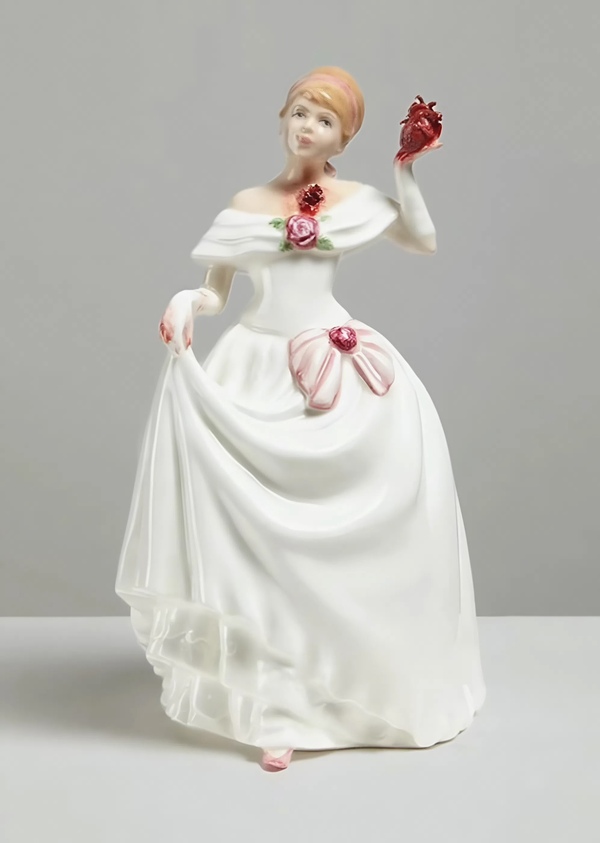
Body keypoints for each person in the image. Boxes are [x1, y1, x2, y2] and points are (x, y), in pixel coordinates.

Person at [116, 66, 486, 772]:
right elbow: (216, 291)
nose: (307, 126)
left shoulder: (354, 201)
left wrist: (405, 171)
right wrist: (186, 302)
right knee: (253, 542)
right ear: (282, 117)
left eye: (324, 119)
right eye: (300, 112)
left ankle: (351, 689)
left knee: (355, 533)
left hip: (333, 363)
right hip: (256, 365)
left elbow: (422, 239)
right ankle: (276, 705)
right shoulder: (246, 205)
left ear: (343, 138)